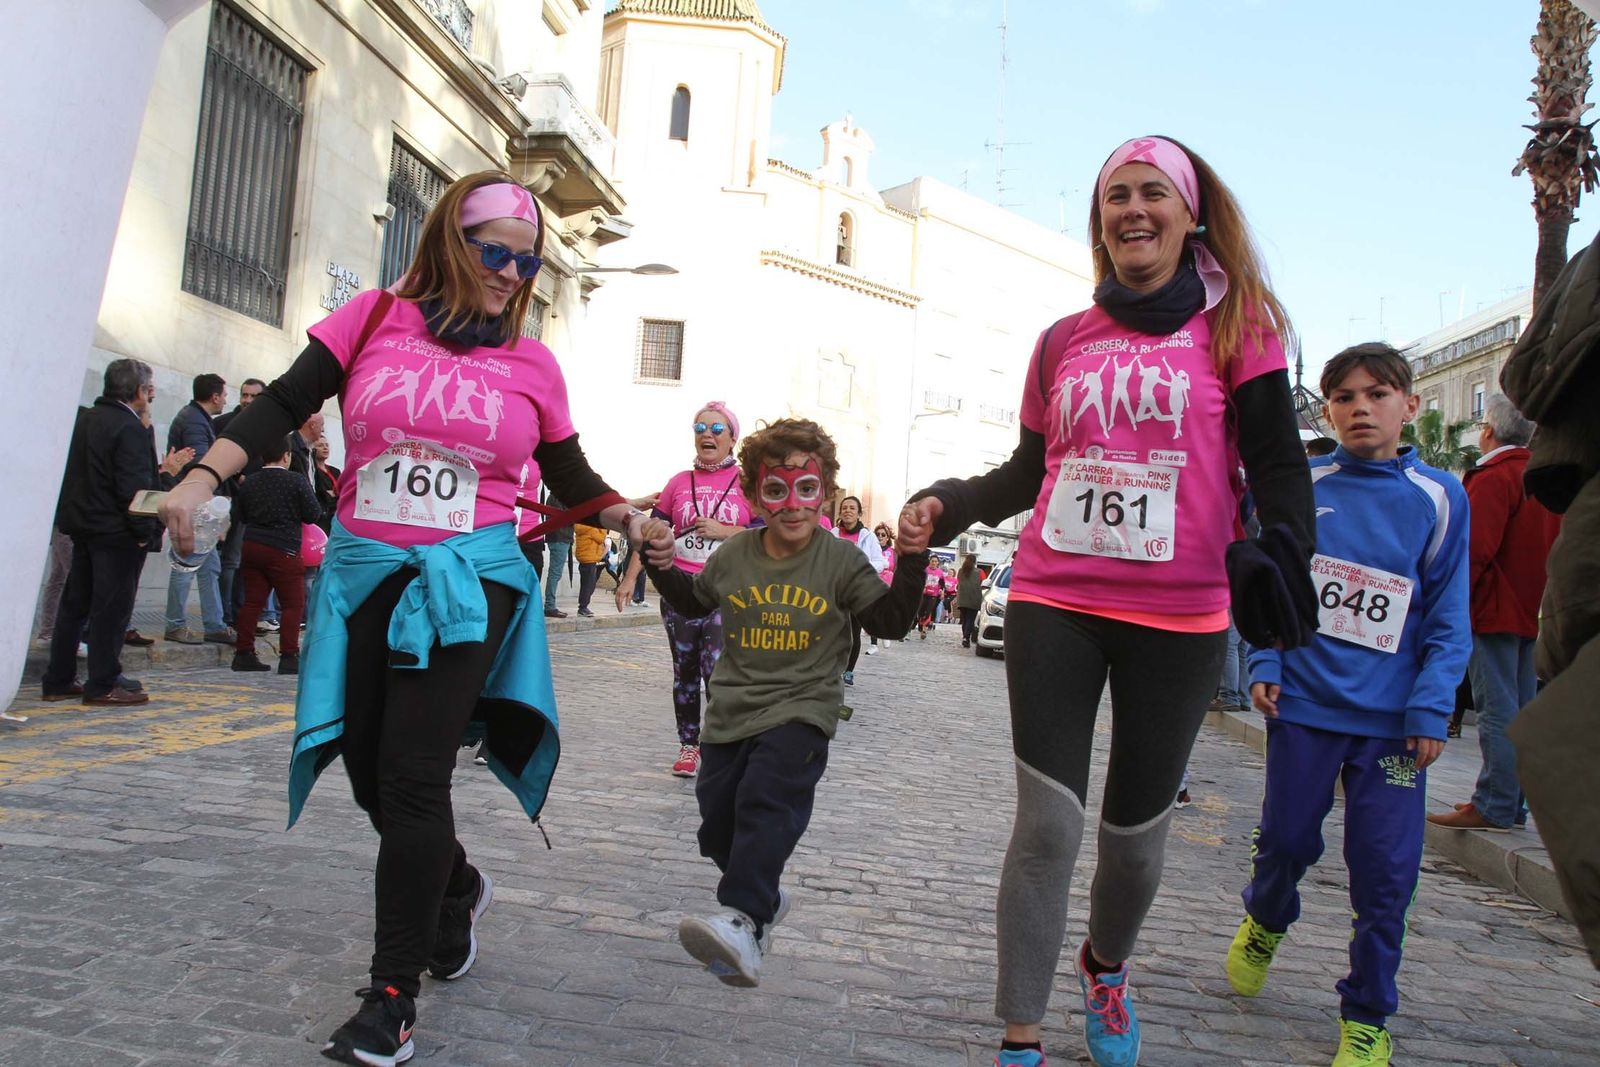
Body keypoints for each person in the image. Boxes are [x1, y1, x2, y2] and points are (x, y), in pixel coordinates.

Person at [156, 171, 669, 1067]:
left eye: (529, 259)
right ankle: (458, 886)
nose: (513, 272)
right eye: (496, 251)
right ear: (449, 242)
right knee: (367, 770)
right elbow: (280, 404)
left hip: (472, 577)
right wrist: (199, 479)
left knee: (412, 773)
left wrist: (626, 515)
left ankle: (390, 997)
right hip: (366, 570)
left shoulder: (533, 362)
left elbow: (572, 473)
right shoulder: (372, 321)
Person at [899, 135, 1316, 1067]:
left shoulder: (1238, 326)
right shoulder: (1062, 341)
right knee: (1047, 825)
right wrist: (952, 502)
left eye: (1152, 193)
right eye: (1115, 195)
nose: (1133, 209)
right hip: (1059, 599)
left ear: (1190, 213)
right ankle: (1020, 1038)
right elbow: (1023, 471)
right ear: (1100, 220)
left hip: (1181, 616)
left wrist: (1281, 549)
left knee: (1132, 844)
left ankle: (1108, 965)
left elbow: (1280, 462)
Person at [1229, 343, 1470, 1067]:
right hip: (1305, 704)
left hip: (1394, 727)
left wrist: (1431, 707)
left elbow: (1449, 614)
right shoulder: (1304, 483)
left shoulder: (1439, 496)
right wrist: (1266, 657)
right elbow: (1268, 580)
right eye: (1344, 397)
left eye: (1378, 393)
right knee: (1287, 842)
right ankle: (1267, 916)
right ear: (1327, 409)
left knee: (1386, 873)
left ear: (1410, 404)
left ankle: (1368, 1013)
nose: (1361, 408)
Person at [642, 418, 928, 987]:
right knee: (717, 828)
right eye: (776, 490)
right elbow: (695, 603)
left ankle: (742, 919)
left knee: (766, 801)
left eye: (807, 490)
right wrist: (662, 564)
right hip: (730, 713)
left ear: (826, 493)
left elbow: (892, 623)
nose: (792, 505)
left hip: (804, 708)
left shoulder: (841, 562)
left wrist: (915, 556)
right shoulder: (734, 556)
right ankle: (764, 898)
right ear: (753, 494)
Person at [1427, 394, 1560, 832]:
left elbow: (1473, 552)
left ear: (1489, 432)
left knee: (1497, 708)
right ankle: (1513, 802)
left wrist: (1449, 608)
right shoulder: (1541, 476)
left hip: (1491, 608)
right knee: (1521, 709)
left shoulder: (1495, 477)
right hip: (1529, 605)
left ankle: (1495, 803)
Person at [617, 403, 754, 776]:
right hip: (680, 588)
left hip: (728, 592)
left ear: (732, 439)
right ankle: (689, 745)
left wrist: (725, 531)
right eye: (700, 427)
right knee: (686, 672)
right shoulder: (678, 482)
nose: (706, 434)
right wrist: (630, 578)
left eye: (716, 428)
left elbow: (767, 535)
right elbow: (650, 536)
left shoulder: (747, 483)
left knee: (716, 667)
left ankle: (719, 742)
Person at [45, 361, 191, 705]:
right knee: (111, 610)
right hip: (116, 532)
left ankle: (59, 677)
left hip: (84, 526)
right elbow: (137, 488)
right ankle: (102, 683)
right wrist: (144, 533)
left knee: (75, 605)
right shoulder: (128, 428)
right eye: (149, 387)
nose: (152, 393)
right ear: (139, 391)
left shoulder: (86, 420)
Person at [230, 433, 323, 674]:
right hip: (284, 547)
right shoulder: (295, 481)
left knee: (252, 602)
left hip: (252, 545)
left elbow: (240, 515)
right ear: (287, 456)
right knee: (293, 604)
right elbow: (313, 513)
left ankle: (244, 652)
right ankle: (289, 656)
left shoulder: (249, 481)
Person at [164, 372, 234, 646]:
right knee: (186, 564)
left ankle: (214, 624)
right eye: (224, 395)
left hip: (198, 504)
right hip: (197, 506)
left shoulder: (196, 418)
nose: (225, 401)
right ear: (215, 396)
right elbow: (203, 468)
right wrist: (215, 512)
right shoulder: (194, 422)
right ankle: (175, 623)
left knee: (210, 567)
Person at [833, 494, 887, 684]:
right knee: (832, 631)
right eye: (845, 507)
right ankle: (831, 669)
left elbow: (882, 562)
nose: (848, 511)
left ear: (859, 513)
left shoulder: (868, 536)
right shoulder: (832, 534)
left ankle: (848, 671)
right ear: (840, 512)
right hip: (834, 590)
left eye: (852, 508)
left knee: (853, 633)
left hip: (857, 590)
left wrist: (862, 567)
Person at [541, 491, 574, 618]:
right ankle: (550, 606)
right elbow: (567, 517)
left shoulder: (555, 497)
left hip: (559, 537)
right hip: (560, 537)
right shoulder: (559, 497)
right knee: (555, 573)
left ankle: (550, 605)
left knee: (555, 573)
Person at [866, 521, 897, 655]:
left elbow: (896, 569)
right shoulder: (871, 550)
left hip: (887, 585)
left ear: (888, 537)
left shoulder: (893, 552)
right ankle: (873, 644)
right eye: (877, 534)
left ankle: (885, 633)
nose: (880, 537)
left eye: (883, 535)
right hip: (873, 583)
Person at [572, 520, 606, 617]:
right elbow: (601, 538)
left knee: (587, 584)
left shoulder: (582, 526)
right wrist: (602, 528)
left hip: (585, 558)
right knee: (588, 585)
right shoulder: (591, 529)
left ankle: (583, 606)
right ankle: (583, 607)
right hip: (589, 558)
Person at [957, 554, 983, 648]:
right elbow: (983, 583)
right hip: (974, 599)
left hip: (962, 599)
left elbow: (958, 581)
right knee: (970, 619)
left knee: (964, 619)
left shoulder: (960, 571)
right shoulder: (980, 572)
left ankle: (965, 637)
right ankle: (966, 638)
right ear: (975, 561)